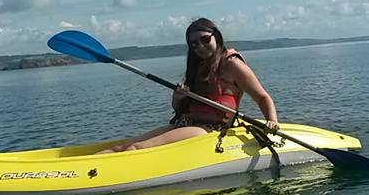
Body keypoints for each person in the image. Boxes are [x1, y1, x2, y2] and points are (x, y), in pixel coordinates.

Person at [98, 18, 279, 153]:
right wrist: (178, 97)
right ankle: (75, 172)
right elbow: (179, 109)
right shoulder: (198, 66)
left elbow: (262, 97)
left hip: (209, 130)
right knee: (121, 147)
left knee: (136, 148)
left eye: (205, 39)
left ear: (216, 37)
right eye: (194, 44)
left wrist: (272, 121)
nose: (200, 46)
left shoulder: (232, 64)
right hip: (185, 124)